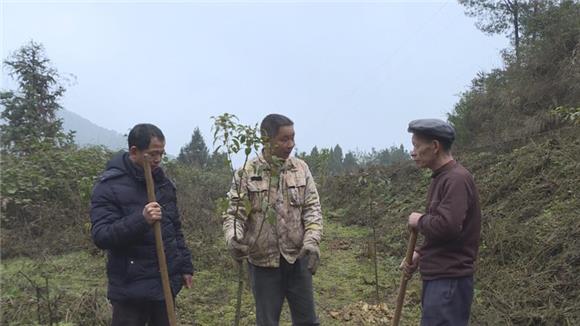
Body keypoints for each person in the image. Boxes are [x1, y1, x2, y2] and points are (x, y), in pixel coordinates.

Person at [223, 114, 323, 326]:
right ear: (266, 140)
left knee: (308, 321)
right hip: (263, 263)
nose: (291, 145)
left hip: (298, 259)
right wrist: (233, 239)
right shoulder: (246, 173)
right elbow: (235, 213)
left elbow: (312, 209)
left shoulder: (301, 168)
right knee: (267, 321)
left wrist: (312, 242)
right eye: (284, 139)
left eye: (293, 138)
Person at [90, 123, 193, 326]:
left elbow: (174, 229)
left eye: (161, 154)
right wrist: (141, 219)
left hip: (165, 285)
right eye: (152, 154)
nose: (158, 160)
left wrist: (185, 266)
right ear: (134, 151)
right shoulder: (108, 186)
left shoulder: (163, 184)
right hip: (130, 289)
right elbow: (102, 236)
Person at [401, 119, 482, 326]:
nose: (413, 152)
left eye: (417, 146)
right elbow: (441, 231)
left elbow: (448, 227)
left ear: (435, 147)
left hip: (449, 282)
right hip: (440, 278)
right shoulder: (441, 178)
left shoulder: (456, 179)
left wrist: (419, 220)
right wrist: (420, 253)